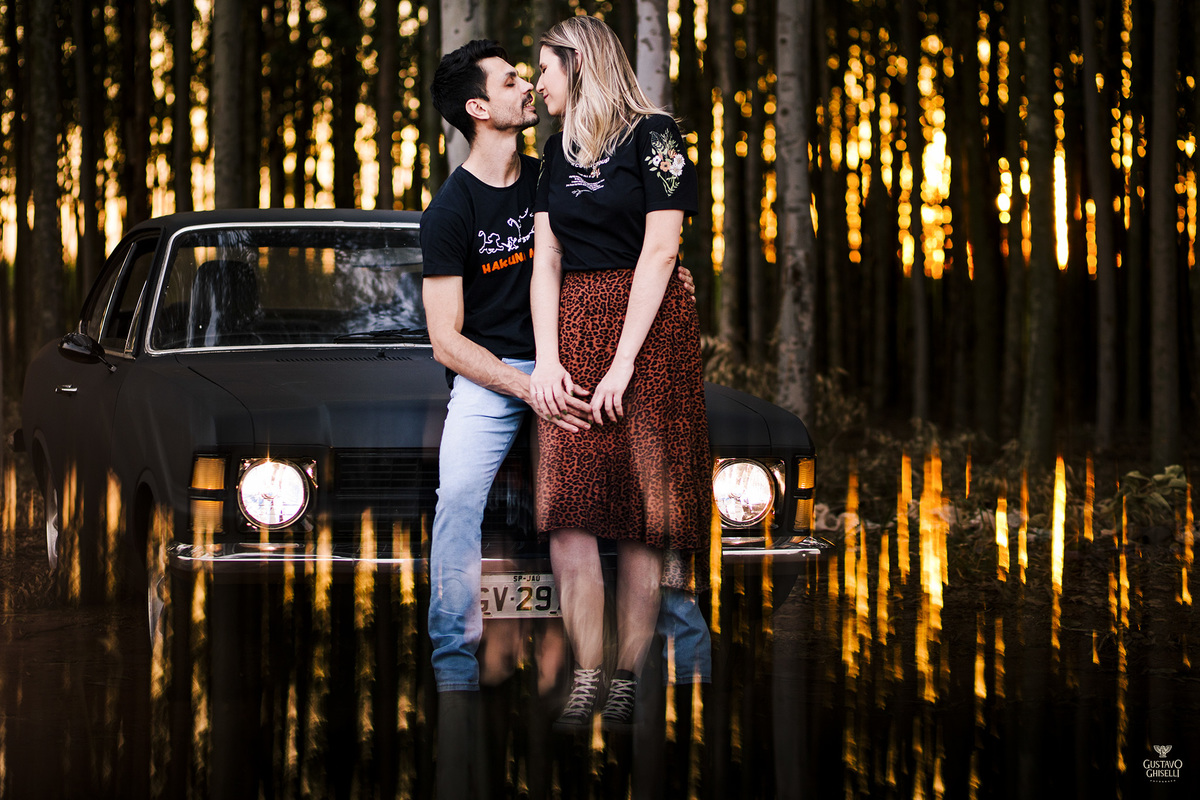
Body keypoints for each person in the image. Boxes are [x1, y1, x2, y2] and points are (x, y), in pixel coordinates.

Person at [421, 38, 708, 781]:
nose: (528, 86)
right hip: (502, 373)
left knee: (652, 501)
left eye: (533, 74)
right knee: (457, 498)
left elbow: (636, 235)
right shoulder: (450, 210)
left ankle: (685, 660)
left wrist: (673, 279)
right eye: (511, 81)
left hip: (585, 355)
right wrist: (528, 384)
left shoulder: (559, 163)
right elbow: (446, 339)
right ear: (477, 108)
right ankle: (455, 663)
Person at [529, 16, 711, 733]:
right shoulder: (554, 151)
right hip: (573, 328)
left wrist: (623, 365)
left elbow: (662, 251)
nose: (537, 83)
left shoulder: (656, 136)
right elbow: (546, 259)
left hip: (650, 334)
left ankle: (629, 678)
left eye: (545, 68)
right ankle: (586, 678)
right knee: (569, 513)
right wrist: (548, 358)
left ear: (578, 65)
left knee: (642, 516)